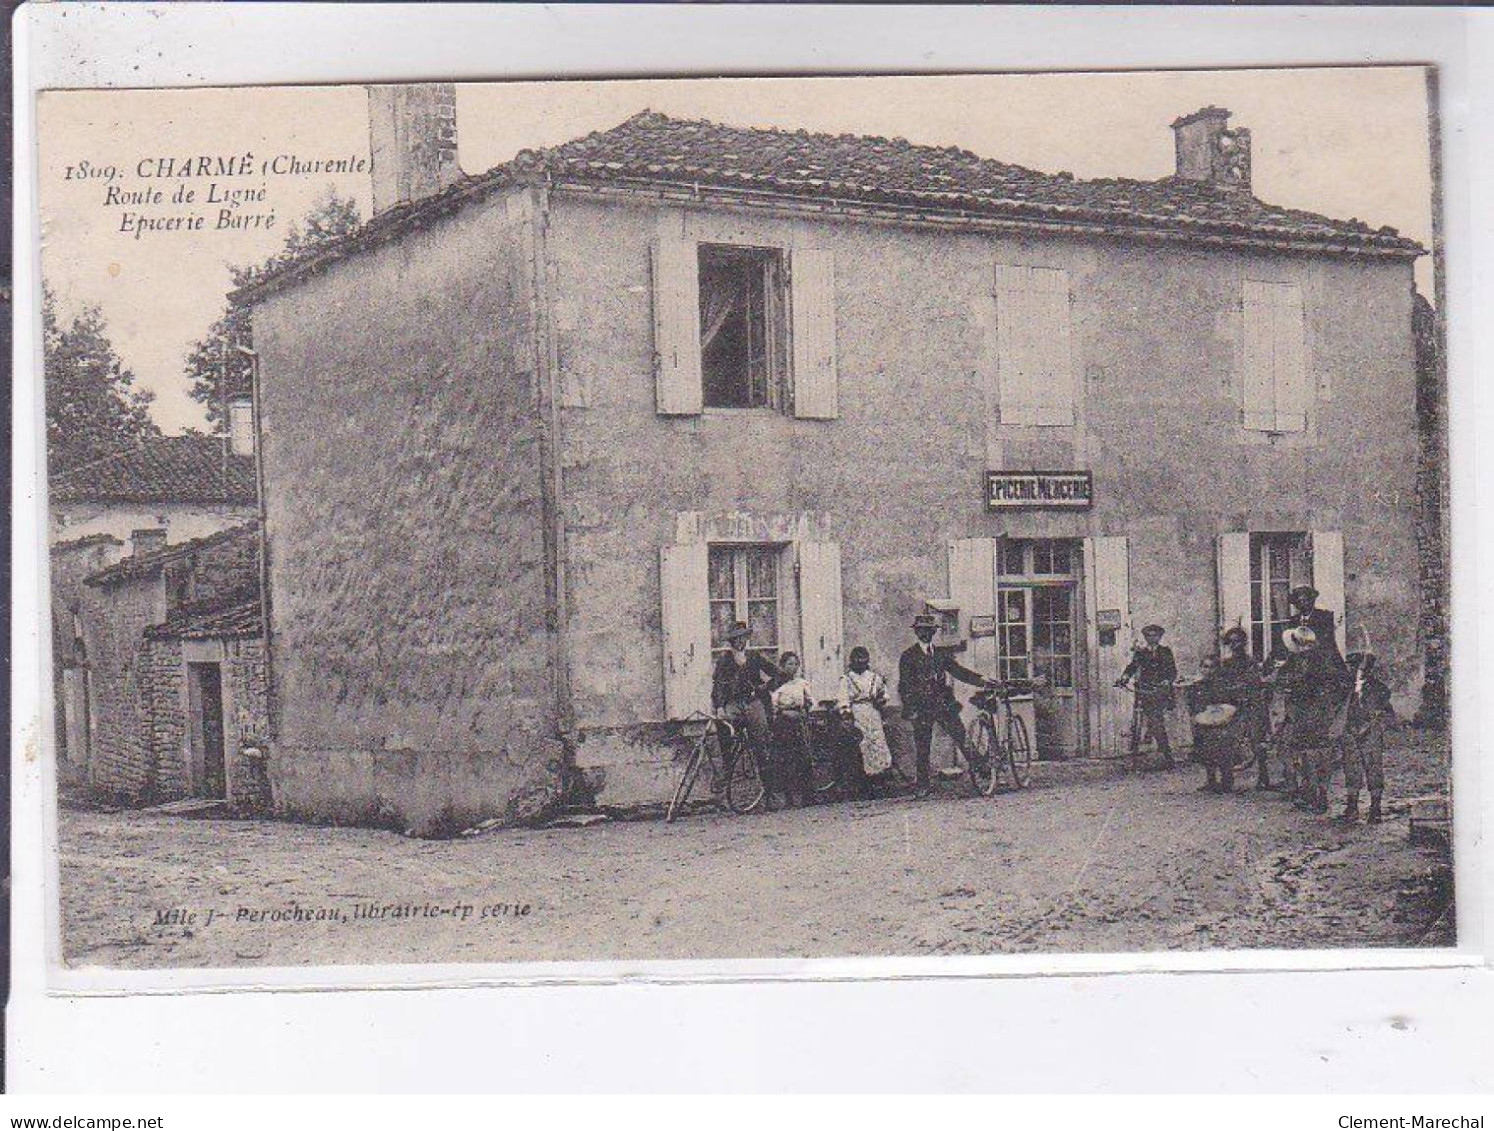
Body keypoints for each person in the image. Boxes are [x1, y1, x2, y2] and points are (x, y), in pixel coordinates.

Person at [898, 613, 991, 797]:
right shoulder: (908, 656)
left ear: (933, 632)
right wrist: (910, 709)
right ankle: (923, 785)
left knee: (961, 736)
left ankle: (982, 769)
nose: (925, 633)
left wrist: (981, 680)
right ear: (917, 632)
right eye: (921, 630)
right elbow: (904, 686)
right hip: (921, 708)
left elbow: (958, 671)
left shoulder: (941, 654)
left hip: (943, 704)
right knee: (923, 747)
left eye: (928, 630)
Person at [710, 621, 779, 806]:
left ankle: (769, 794)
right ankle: (722, 792)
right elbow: (717, 687)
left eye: (743, 638)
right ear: (731, 641)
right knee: (723, 734)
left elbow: (776, 673)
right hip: (733, 704)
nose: (740, 642)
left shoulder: (755, 657)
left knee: (762, 746)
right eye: (736, 639)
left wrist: (765, 687)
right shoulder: (724, 660)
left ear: (747, 639)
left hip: (753, 703)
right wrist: (719, 707)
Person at [1186, 629, 1262, 794]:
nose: (1235, 645)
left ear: (1244, 642)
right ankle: (1211, 779)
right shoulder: (1225, 664)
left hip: (1239, 707)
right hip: (1218, 710)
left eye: (1238, 641)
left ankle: (1235, 778)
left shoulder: (1250, 662)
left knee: (1231, 743)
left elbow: (1244, 686)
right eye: (1231, 642)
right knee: (1206, 743)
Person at [1276, 624, 1341, 814]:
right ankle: (1316, 794)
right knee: (1314, 754)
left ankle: (1315, 795)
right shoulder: (1316, 659)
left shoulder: (1309, 664)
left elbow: (1300, 686)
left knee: (1310, 754)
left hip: (1309, 713)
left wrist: (1292, 685)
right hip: (1317, 713)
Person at [1340, 651, 1395, 824]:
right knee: (1351, 769)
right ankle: (1352, 807)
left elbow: (1386, 712)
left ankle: (1375, 808)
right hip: (1350, 732)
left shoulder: (1380, 689)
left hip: (1370, 732)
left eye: (1354, 667)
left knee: (1373, 768)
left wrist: (1375, 722)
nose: (1351, 670)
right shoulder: (1345, 688)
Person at [1116, 624, 1179, 770]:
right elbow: (1132, 667)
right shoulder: (1141, 653)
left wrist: (1167, 680)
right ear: (1146, 637)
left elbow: (1172, 670)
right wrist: (1124, 677)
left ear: (1159, 637)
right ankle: (1156, 755)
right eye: (1149, 636)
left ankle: (1166, 755)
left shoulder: (1165, 652)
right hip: (1145, 691)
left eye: (1155, 635)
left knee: (1156, 722)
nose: (1152, 638)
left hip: (1161, 692)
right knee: (1145, 722)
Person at [838, 646, 893, 797]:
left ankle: (879, 782)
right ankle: (862, 785)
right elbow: (843, 699)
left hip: (873, 713)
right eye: (857, 658)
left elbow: (884, 695)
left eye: (863, 658)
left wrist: (880, 701)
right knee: (861, 746)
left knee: (877, 744)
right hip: (857, 713)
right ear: (852, 660)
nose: (860, 662)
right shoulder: (847, 679)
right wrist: (846, 715)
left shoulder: (874, 677)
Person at [768, 652, 815, 809]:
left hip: (799, 723)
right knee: (785, 760)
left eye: (795, 664)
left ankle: (806, 796)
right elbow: (772, 706)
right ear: (782, 666)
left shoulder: (802, 683)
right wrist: (783, 711)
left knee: (803, 758)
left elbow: (810, 702)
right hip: (783, 725)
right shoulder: (775, 684)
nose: (793, 667)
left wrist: (804, 710)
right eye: (789, 664)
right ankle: (788, 798)